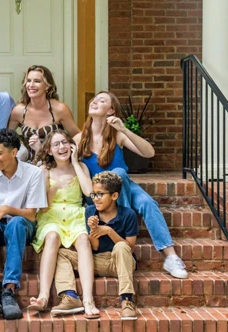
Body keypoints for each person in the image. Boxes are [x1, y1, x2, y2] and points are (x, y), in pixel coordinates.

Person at [74, 91, 189, 279]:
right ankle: (124, 237)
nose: (94, 102)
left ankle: (171, 257)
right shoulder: (79, 140)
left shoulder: (117, 134)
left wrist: (125, 130)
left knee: (147, 202)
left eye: (101, 101)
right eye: (93, 100)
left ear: (111, 110)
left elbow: (149, 153)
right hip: (98, 194)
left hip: (125, 187)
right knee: (116, 175)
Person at [0, 129, 48, 320]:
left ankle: (9, 289)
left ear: (14, 152)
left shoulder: (33, 174)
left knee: (16, 223)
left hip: (22, 227)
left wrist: (6, 208)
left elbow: (31, 215)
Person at [27, 130, 99, 319]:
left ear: (72, 146)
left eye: (65, 143)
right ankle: (43, 297)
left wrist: (75, 162)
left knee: (84, 240)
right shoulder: (44, 170)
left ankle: (88, 299)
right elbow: (42, 208)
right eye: (56, 144)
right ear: (49, 151)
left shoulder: (81, 166)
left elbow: (89, 192)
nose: (62, 147)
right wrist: (53, 188)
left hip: (75, 215)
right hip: (51, 216)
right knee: (52, 237)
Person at [53, 171, 138, 319]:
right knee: (61, 253)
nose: (96, 199)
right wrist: (93, 230)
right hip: (97, 261)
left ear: (114, 196)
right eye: (93, 194)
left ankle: (127, 300)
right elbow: (95, 247)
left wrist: (109, 231)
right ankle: (70, 295)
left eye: (100, 194)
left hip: (119, 262)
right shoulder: (90, 211)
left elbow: (130, 248)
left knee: (121, 246)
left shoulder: (128, 214)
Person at [7, 65, 79, 161]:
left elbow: (77, 136)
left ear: (47, 86)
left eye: (37, 81)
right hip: (29, 164)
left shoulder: (60, 109)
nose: (31, 85)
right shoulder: (19, 111)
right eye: (28, 81)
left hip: (55, 163)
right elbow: (7, 138)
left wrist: (70, 156)